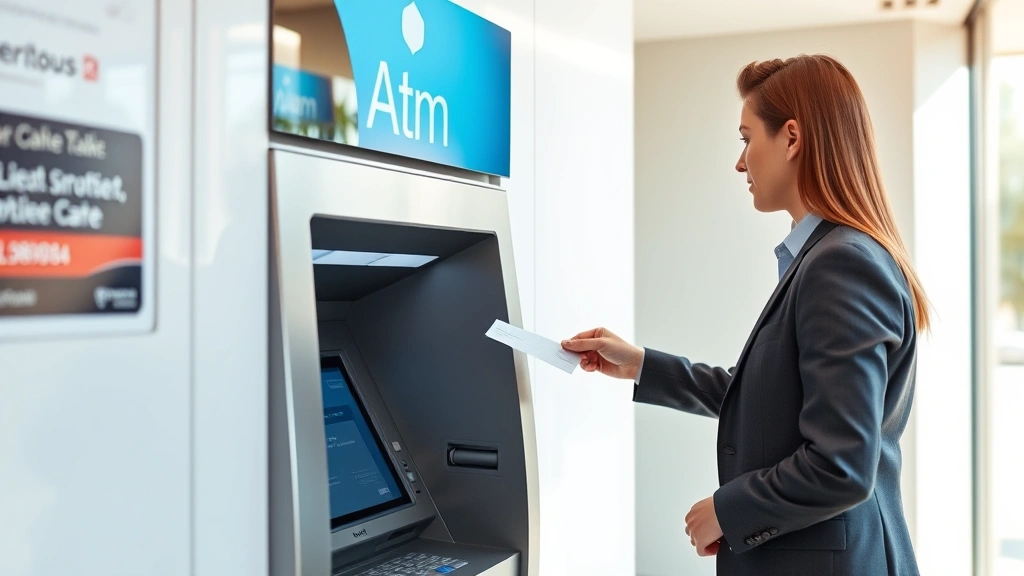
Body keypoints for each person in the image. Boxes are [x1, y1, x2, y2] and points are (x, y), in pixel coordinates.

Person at [562, 54, 928, 576]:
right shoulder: (829, 257)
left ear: (792, 138)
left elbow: (841, 465)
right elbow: (770, 398)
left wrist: (727, 511)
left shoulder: (840, 263)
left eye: (745, 138)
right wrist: (641, 364)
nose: (740, 163)